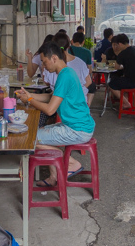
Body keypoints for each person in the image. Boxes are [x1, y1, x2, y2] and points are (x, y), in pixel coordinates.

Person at [15, 41, 95, 187]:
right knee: (37, 133)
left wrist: (30, 99)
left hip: (77, 129)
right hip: (78, 125)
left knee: (31, 139)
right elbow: (51, 97)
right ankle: (53, 176)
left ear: (54, 58)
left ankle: (71, 163)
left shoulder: (65, 75)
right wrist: (29, 95)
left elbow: (50, 109)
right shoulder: (66, 72)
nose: (44, 67)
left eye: (45, 63)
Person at [108, 34, 135, 108]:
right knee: (122, 82)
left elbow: (116, 67)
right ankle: (126, 101)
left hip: (133, 82)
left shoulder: (123, 53)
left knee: (111, 84)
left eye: (117, 45)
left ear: (120, 44)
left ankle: (126, 103)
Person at [55, 32, 93, 103]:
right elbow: (89, 81)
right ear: (69, 45)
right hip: (80, 103)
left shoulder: (53, 64)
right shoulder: (81, 60)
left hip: (61, 104)